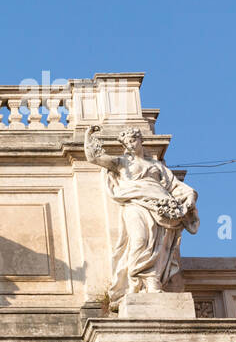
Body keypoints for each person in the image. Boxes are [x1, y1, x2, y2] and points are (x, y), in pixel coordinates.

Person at [83, 124, 198, 306]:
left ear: (140, 140)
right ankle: (134, 283)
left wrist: (189, 196)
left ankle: (152, 284)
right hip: (135, 204)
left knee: (158, 246)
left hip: (160, 206)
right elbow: (94, 157)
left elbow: (175, 186)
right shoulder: (122, 163)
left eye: (133, 139)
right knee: (139, 240)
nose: (130, 143)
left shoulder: (156, 166)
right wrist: (89, 137)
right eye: (127, 141)